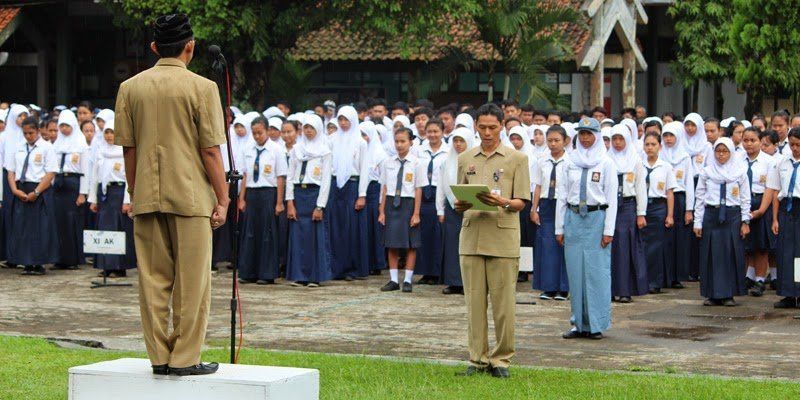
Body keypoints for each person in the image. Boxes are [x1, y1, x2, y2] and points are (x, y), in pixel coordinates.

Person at [115, 13, 229, 376]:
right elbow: (211, 150)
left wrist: (135, 190)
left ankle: (159, 358)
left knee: (152, 281)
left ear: (154, 47)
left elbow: (128, 151)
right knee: (193, 282)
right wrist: (224, 198)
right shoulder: (203, 87)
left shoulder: (129, 88)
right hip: (192, 198)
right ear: (190, 47)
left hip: (147, 194)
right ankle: (185, 358)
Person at [454, 103, 530, 378]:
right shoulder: (465, 157)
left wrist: (503, 201)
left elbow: (522, 201)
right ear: (475, 125)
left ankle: (501, 359)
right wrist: (460, 204)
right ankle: (477, 359)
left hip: (502, 235)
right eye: (482, 127)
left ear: (502, 126)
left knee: (503, 303)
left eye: (492, 127)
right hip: (472, 233)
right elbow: (460, 196)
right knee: (474, 302)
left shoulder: (516, 159)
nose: (487, 132)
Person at [556, 117, 617, 340]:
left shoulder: (606, 162)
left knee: (596, 274)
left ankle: (595, 324)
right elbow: (561, 196)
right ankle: (577, 323)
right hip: (573, 218)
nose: (585, 138)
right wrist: (559, 228)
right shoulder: (569, 161)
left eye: (589, 133)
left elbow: (611, 198)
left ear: (597, 136)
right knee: (575, 273)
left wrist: (608, 230)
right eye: (582, 133)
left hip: (596, 218)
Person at [694, 138, 750, 306]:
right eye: (718, 151)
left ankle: (728, 294)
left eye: (725, 151)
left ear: (731, 152)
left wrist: (745, 220)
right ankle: (712, 294)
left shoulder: (739, 172)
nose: (721, 155)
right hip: (712, 215)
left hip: (732, 216)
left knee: (730, 254)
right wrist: (698, 222)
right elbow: (699, 197)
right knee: (711, 255)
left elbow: (745, 198)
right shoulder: (707, 172)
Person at [237, 116, 287, 284]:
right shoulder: (248, 149)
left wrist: (279, 202)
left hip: (268, 193)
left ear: (267, 130)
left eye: (260, 133)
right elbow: (245, 175)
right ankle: (248, 271)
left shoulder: (276, 149)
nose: (257, 136)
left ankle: (266, 273)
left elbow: (280, 177)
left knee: (267, 233)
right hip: (252, 193)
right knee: (250, 232)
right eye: (254, 133)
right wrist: (241, 198)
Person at [285, 115, 333, 287]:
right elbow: (290, 177)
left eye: (312, 128)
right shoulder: (296, 150)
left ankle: (314, 276)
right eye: (306, 127)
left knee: (314, 235)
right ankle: (299, 275)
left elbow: (326, 180)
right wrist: (289, 201)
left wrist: (320, 205)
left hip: (314, 194)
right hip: (298, 193)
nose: (308, 131)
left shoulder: (324, 151)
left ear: (318, 129)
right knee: (298, 236)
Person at [7, 116, 58, 275]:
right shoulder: (17, 146)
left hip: (39, 189)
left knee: (39, 228)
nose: (28, 136)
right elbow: (11, 171)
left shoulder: (46, 147)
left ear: (37, 131)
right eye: (25, 133)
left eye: (31, 132)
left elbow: (50, 173)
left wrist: (36, 192)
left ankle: (38, 263)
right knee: (22, 227)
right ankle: (25, 262)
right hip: (21, 188)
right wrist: (15, 190)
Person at [379, 127, 426, 293]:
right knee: (391, 244)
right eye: (396, 141)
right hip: (392, 203)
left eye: (403, 141)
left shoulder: (417, 163)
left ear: (411, 142)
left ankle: (407, 280)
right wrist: (382, 211)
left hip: (408, 203)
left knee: (411, 244)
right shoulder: (387, 162)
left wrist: (416, 213)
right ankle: (393, 280)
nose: (399, 145)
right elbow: (384, 188)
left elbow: (418, 189)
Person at [88, 120, 137, 278]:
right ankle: (106, 265)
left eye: (112, 132)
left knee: (119, 229)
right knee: (104, 229)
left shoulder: (124, 153)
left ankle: (119, 267)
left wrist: (127, 200)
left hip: (119, 193)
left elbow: (130, 178)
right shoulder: (101, 151)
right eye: (107, 132)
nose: (109, 136)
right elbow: (95, 176)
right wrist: (93, 199)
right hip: (104, 194)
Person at [328, 105, 370, 280]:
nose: (344, 123)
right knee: (334, 227)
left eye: (347, 120)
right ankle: (334, 268)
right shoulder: (331, 139)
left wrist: (362, 194)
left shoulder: (360, 142)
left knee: (350, 228)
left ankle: (350, 269)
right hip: (334, 185)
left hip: (352, 185)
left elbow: (365, 169)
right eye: (341, 119)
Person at [608, 125, 648, 302]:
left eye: (621, 139)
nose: (617, 143)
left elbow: (640, 187)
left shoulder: (635, 160)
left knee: (625, 249)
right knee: (609, 247)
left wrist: (641, 213)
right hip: (609, 207)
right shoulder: (606, 159)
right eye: (614, 139)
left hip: (628, 207)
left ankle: (625, 290)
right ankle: (608, 290)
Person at [530, 126, 570, 300]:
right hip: (546, 204)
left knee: (563, 244)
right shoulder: (542, 160)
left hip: (564, 204)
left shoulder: (571, 161)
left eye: (557, 140)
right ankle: (548, 286)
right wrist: (534, 208)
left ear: (565, 141)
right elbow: (538, 185)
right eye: (550, 141)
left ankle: (564, 287)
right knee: (547, 246)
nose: (553, 144)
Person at [436, 127, 473, 295]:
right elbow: (441, 186)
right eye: (455, 141)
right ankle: (453, 281)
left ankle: (469, 282)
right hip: (452, 207)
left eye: (462, 141)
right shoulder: (446, 161)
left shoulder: (474, 160)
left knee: (469, 245)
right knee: (452, 245)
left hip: (471, 207)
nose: (458, 144)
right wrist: (440, 209)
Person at [766, 127, 800, 308]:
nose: (795, 148)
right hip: (786, 209)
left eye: (798, 145)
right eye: (792, 144)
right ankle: (787, 293)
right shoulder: (782, 163)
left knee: (799, 255)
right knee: (785, 253)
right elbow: (775, 191)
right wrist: (775, 219)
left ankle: (799, 292)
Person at [52, 109, 90, 271]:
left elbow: (85, 170)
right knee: (58, 222)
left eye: (67, 125)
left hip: (73, 184)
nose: (64, 129)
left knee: (71, 222)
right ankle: (59, 258)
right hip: (58, 185)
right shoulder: (56, 144)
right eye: (62, 126)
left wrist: (82, 193)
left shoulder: (80, 143)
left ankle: (73, 258)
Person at [640, 131, 677, 294]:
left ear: (660, 146)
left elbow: (670, 192)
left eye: (653, 144)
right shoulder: (638, 164)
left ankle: (655, 281)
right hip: (642, 206)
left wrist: (669, 215)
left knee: (656, 246)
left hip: (658, 207)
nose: (650, 148)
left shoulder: (666, 166)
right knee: (641, 245)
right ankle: (641, 280)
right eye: (647, 144)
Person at [741, 127, 776, 297]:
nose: (749, 144)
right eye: (745, 140)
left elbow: (770, 187)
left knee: (761, 246)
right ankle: (748, 276)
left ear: (760, 141)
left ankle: (760, 279)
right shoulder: (738, 159)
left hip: (761, 202)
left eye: (753, 140)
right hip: (742, 203)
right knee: (746, 245)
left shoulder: (768, 162)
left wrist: (761, 210)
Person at [413, 119, 448, 284]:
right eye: (430, 132)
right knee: (423, 233)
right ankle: (425, 271)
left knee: (438, 234)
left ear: (442, 132)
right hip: (423, 193)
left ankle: (436, 271)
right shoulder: (419, 150)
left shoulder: (448, 151)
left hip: (439, 192)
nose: (432, 135)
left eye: (436, 131)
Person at [660, 121, 695, 285]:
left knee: (680, 240)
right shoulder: (659, 155)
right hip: (663, 200)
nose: (668, 139)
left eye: (671, 136)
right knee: (664, 239)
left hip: (680, 199)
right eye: (665, 135)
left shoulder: (685, 156)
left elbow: (689, 184)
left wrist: (689, 209)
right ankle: (663, 275)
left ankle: (677, 276)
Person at [684, 113, 711, 281]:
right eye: (687, 125)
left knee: (699, 228)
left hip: (701, 185)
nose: (690, 128)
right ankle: (688, 269)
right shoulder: (681, 144)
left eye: (693, 125)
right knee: (687, 231)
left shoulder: (707, 146)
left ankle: (700, 269)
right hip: (686, 186)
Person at [359, 121, 387, 275]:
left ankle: (376, 263)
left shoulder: (380, 154)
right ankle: (364, 262)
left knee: (374, 229)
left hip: (375, 191)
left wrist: (380, 202)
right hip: (362, 191)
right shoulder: (358, 150)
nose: (362, 138)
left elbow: (384, 180)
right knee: (364, 228)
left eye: (364, 134)